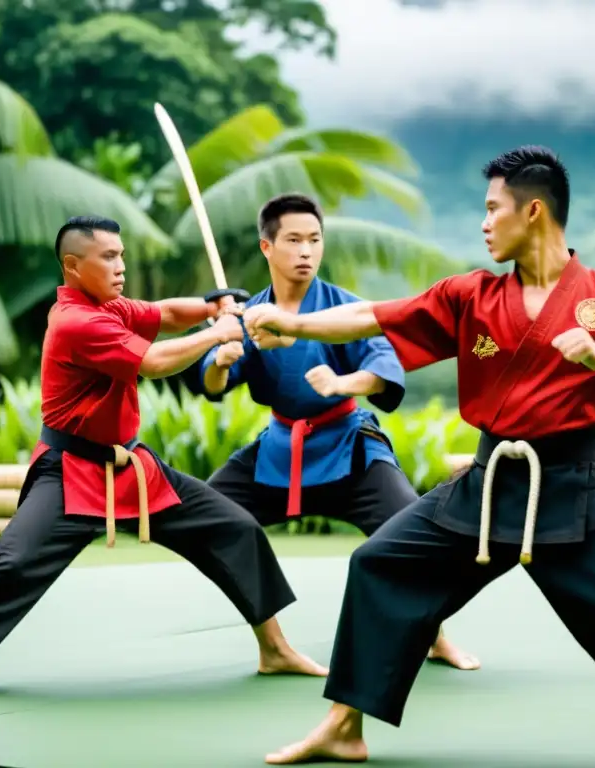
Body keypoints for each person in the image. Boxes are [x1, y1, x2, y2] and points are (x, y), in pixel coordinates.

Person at [244, 148, 595, 768]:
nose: (483, 223)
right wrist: (292, 323)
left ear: (532, 211)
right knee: (379, 564)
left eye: (492, 209)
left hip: (573, 490)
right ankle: (345, 727)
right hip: (485, 485)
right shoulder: (468, 295)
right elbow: (371, 315)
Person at [0, 215, 322, 701]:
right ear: (73, 265)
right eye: (108, 257)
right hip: (69, 472)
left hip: (132, 466)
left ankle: (274, 650)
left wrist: (213, 307)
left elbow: (165, 314)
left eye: (121, 254)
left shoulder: (110, 305)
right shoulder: (77, 322)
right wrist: (219, 332)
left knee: (234, 528)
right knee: (11, 567)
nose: (121, 265)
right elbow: (153, 362)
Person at [199, 193, 477, 672]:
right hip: (279, 451)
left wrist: (341, 383)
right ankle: (273, 647)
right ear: (267, 247)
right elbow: (212, 383)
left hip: (348, 446)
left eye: (314, 240)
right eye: (293, 240)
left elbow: (383, 369)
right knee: (210, 519)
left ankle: (435, 635)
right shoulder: (246, 318)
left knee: (410, 527)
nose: (306, 251)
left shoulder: (344, 310)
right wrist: (222, 362)